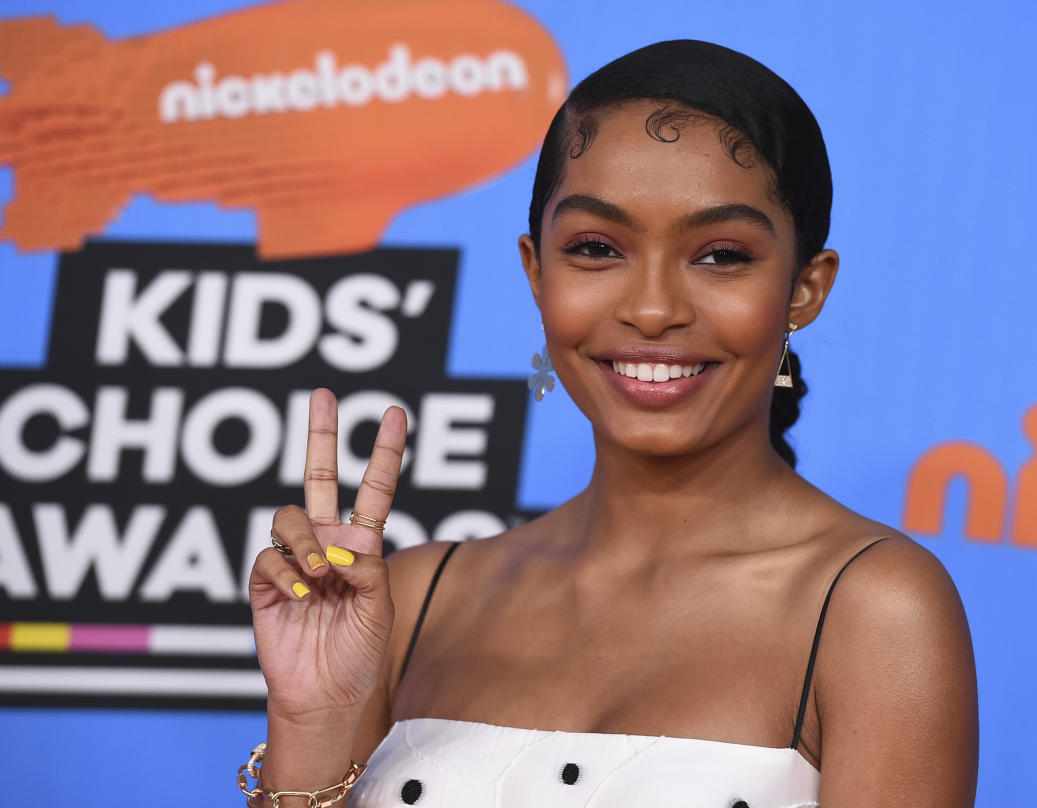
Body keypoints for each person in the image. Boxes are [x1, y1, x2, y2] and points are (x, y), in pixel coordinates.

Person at [246, 39, 978, 807]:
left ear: (803, 289)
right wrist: (314, 726)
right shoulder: (415, 597)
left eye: (721, 255)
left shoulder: (875, 611)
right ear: (537, 272)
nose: (654, 309)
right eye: (596, 248)